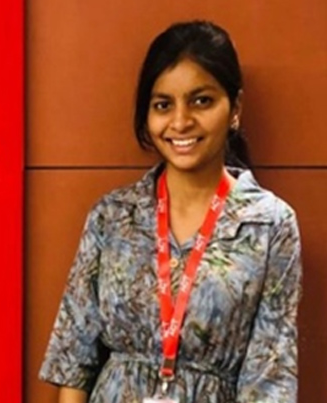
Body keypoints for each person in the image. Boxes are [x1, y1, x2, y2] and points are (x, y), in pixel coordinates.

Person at [39, 20, 301, 403]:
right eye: (163, 105)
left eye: (201, 101)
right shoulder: (112, 217)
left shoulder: (270, 225)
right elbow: (73, 361)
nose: (180, 122)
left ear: (235, 108)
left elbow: (270, 378)